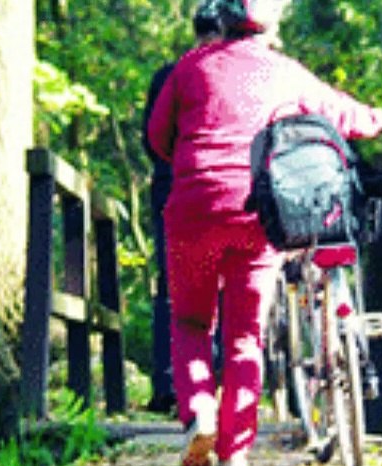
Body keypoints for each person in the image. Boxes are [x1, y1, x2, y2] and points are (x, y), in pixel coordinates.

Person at [146, 0, 382, 466]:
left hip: (194, 208)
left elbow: (158, 137)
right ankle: (234, 457)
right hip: (258, 213)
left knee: (192, 321)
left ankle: (200, 413)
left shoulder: (190, 67)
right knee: (244, 336)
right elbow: (344, 115)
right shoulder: (286, 73)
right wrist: (378, 118)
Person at [141, 3, 223, 416]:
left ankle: (170, 384)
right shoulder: (227, 75)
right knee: (225, 288)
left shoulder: (169, 76)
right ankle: (216, 379)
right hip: (224, 192)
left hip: (171, 192)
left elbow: (151, 138)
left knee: (172, 292)